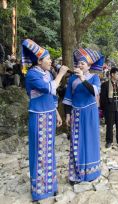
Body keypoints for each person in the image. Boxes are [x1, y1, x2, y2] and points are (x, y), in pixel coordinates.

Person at [23, 39, 69, 201]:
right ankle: (39, 190)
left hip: (49, 115)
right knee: (39, 151)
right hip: (38, 116)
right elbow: (49, 87)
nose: (51, 62)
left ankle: (51, 185)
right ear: (39, 61)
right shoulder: (32, 74)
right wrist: (62, 74)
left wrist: (57, 114)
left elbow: (52, 95)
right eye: (48, 59)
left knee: (49, 151)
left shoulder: (47, 73)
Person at [62, 48, 103, 184]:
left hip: (90, 113)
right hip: (76, 113)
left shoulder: (95, 78)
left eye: (83, 64)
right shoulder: (71, 78)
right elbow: (68, 97)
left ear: (89, 66)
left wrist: (82, 78)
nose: (80, 66)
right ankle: (76, 173)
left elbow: (94, 92)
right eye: (79, 63)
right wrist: (67, 115)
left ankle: (92, 172)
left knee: (90, 140)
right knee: (76, 142)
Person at [100, 67, 118, 148]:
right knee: (109, 125)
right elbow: (102, 98)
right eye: (117, 74)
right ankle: (109, 141)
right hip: (109, 108)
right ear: (112, 74)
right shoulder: (105, 84)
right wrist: (104, 109)